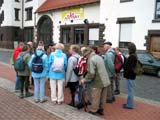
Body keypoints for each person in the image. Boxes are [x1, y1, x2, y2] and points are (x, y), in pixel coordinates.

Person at [80, 47, 110, 115]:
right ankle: (101, 109)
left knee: (95, 97)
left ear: (87, 54)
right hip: (105, 80)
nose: (85, 57)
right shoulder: (98, 57)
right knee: (103, 97)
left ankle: (94, 110)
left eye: (85, 56)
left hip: (98, 81)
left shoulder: (91, 59)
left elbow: (91, 73)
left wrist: (84, 79)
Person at [123, 42, 137, 109]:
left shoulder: (132, 56)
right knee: (130, 90)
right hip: (132, 75)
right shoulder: (134, 55)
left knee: (130, 91)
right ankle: (128, 103)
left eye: (128, 48)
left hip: (130, 76)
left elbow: (129, 67)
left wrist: (126, 60)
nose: (127, 49)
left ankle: (130, 105)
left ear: (130, 48)